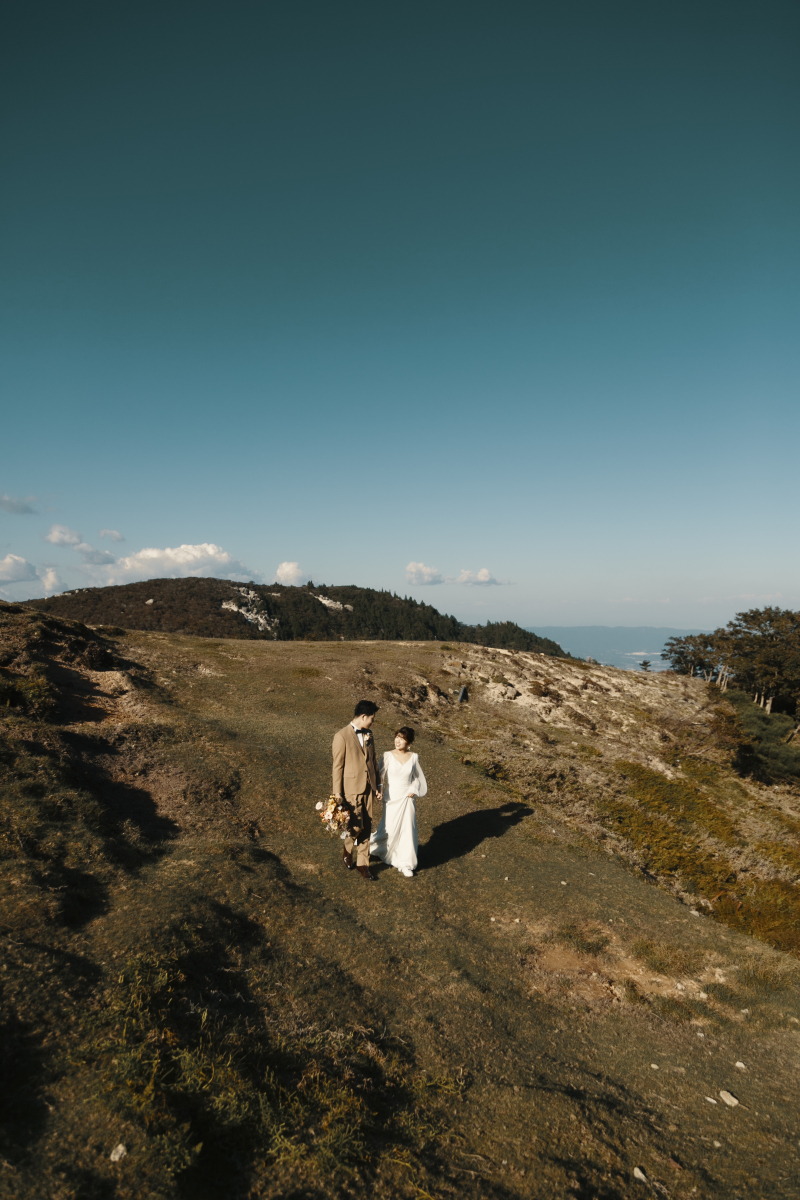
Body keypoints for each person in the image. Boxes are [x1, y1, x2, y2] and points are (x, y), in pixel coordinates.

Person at [331, 699, 383, 882]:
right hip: (350, 789)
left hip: (368, 788)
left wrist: (378, 785)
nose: (372, 722)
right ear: (363, 716)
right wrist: (337, 793)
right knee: (356, 826)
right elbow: (337, 766)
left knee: (367, 827)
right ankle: (347, 848)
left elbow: (373, 761)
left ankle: (363, 864)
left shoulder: (369, 735)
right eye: (372, 718)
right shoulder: (341, 736)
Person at [369, 726, 427, 878]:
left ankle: (406, 864)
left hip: (407, 799)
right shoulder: (387, 755)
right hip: (391, 798)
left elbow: (417, 778)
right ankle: (371, 845)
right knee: (389, 828)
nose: (398, 741)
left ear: (409, 743)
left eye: (402, 738)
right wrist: (379, 790)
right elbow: (380, 776)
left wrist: (414, 788)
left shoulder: (414, 757)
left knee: (408, 829)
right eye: (397, 737)